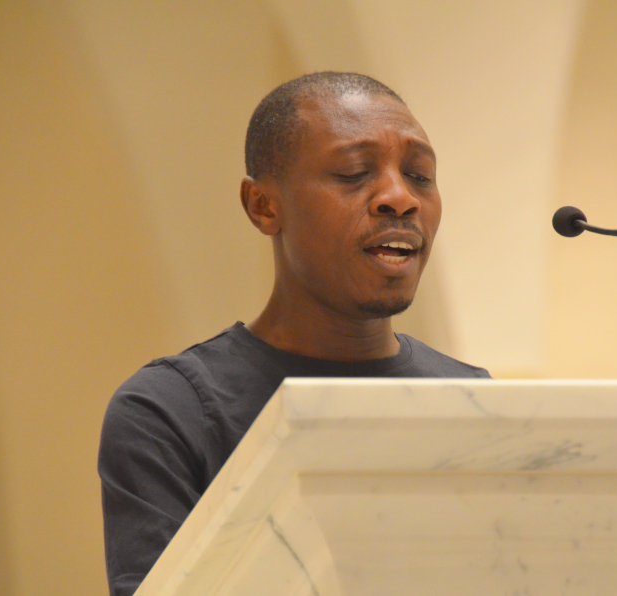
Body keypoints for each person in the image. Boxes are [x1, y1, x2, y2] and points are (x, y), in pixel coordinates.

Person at [98, 72, 490, 596]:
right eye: (354, 172)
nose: (401, 198)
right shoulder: (171, 412)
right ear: (263, 206)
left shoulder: (474, 400)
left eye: (420, 175)